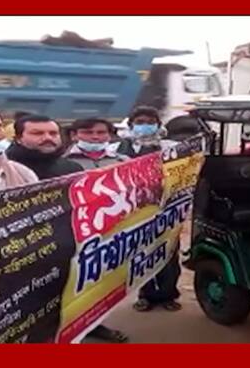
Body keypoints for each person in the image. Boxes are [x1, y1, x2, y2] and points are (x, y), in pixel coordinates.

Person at [64, 117, 130, 343]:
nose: (95, 137)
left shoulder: (124, 161)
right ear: (74, 135)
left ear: (110, 136)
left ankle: (96, 323)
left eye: (101, 133)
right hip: (76, 232)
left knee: (101, 280)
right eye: (87, 132)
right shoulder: (62, 163)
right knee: (73, 281)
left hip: (112, 231)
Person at [116, 107, 182, 312]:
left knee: (169, 254)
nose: (145, 125)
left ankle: (168, 295)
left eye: (150, 121)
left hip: (167, 209)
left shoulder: (171, 147)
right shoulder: (120, 148)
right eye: (140, 121)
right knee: (139, 255)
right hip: (134, 212)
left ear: (159, 124)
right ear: (131, 124)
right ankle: (145, 294)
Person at [6, 115, 84, 179]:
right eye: (37, 133)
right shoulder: (5, 167)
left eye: (53, 133)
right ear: (18, 138)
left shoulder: (72, 169)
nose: (48, 138)